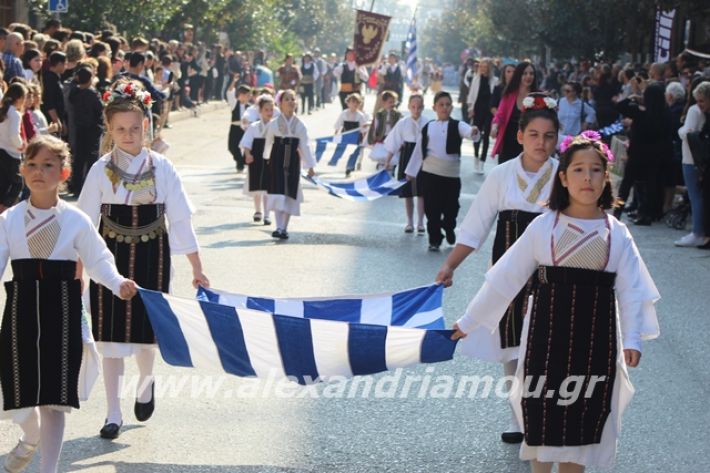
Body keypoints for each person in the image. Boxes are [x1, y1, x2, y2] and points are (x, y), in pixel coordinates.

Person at [451, 131, 660, 472]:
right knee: (542, 419)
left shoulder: (616, 233)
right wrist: (468, 322)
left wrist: (633, 339)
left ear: (606, 177)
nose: (587, 178)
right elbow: (504, 281)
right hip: (546, 342)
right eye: (578, 169)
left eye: (595, 170)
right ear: (562, 177)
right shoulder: (542, 226)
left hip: (596, 344)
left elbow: (631, 290)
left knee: (583, 426)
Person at [77, 80, 209, 440]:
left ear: (146, 126)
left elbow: (180, 219)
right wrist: (78, 269)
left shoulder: (162, 167)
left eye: (135, 128)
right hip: (110, 258)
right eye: (121, 129)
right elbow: (84, 224)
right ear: (110, 129)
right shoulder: (101, 169)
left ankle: (147, 383)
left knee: (145, 332)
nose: (129, 135)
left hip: (154, 254)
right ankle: (113, 412)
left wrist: (197, 267)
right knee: (111, 335)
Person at [0, 135, 137, 473]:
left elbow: (99, 260)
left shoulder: (76, 220)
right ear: (22, 169)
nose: (38, 171)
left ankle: (49, 469)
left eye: (48, 165)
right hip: (20, 314)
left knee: (54, 400)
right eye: (32, 164)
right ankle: (30, 438)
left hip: (62, 313)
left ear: (63, 173)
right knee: (20, 397)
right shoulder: (10, 220)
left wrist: (118, 283)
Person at [436, 93, 560, 443]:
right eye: (533, 134)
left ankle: (545, 413)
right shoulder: (502, 175)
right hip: (509, 275)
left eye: (549, 136)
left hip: (553, 275)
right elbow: (476, 225)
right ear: (519, 136)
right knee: (513, 346)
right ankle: (519, 418)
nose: (541, 142)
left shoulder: (564, 175)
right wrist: (450, 264)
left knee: (546, 346)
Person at [404, 91, 480, 251]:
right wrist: (411, 171)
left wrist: (473, 131)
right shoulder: (428, 127)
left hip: (451, 176)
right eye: (441, 105)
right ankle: (434, 238)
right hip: (429, 174)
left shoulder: (457, 125)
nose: (445, 108)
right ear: (434, 107)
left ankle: (448, 226)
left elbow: (470, 132)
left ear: (452, 107)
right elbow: (419, 150)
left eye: (448, 105)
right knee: (431, 209)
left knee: (451, 207)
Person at [615, 82, 673, 225]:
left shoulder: (640, 113)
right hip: (655, 156)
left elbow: (619, 106)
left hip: (636, 154)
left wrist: (633, 97)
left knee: (626, 185)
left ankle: (617, 211)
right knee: (650, 185)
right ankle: (646, 214)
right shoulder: (665, 115)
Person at [263, 89, 316, 239]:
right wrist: (265, 159)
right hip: (276, 161)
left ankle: (284, 228)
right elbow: (268, 142)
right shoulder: (274, 124)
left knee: (289, 194)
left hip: (292, 162)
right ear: (280, 104)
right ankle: (278, 227)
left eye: (293, 99)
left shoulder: (300, 125)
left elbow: (305, 145)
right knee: (278, 193)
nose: (291, 102)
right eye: (287, 99)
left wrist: (310, 165)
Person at [384, 93, 426, 233]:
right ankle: (409, 222)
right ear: (408, 107)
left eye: (419, 107)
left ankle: (420, 222)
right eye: (413, 107)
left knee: (421, 191)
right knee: (407, 191)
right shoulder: (403, 123)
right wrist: (387, 160)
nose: (416, 110)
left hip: (421, 156)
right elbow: (394, 141)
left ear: (423, 107)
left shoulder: (427, 123)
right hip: (407, 154)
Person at [676, 80, 709, 247]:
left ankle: (698, 231)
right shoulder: (702, 112)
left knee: (695, 196)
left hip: (690, 158)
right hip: (698, 159)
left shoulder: (693, 110)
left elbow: (686, 133)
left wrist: (680, 130)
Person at [491, 61, 539, 164]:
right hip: (508, 142)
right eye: (525, 73)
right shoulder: (509, 94)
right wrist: (495, 127)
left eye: (531, 74)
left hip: (528, 144)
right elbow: (500, 114)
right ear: (519, 75)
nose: (528, 76)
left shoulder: (538, 97)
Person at [68, 64, 103, 196]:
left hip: (79, 128)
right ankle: (90, 186)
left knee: (79, 158)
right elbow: (99, 110)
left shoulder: (74, 92)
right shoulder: (93, 94)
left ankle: (76, 186)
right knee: (92, 158)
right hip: (93, 129)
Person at [240, 94, 274, 226]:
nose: (269, 113)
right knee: (256, 186)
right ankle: (257, 211)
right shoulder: (253, 127)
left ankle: (267, 214)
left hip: (270, 158)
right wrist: (248, 154)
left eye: (271, 110)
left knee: (268, 187)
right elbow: (246, 142)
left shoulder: (275, 126)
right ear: (260, 111)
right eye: (266, 110)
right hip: (256, 158)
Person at [467, 57, 499, 173]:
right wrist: (470, 108)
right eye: (481, 66)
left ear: (489, 68)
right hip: (478, 110)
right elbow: (471, 95)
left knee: (486, 138)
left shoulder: (495, 80)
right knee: (477, 134)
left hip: (489, 111)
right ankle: (476, 157)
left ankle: (482, 162)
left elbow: (496, 98)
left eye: (486, 67)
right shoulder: (475, 79)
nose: (483, 69)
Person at [0, 83, 27, 213]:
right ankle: (5, 208)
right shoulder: (15, 114)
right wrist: (21, 144)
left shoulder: (3, 111)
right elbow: (13, 134)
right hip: (12, 154)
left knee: (3, 184)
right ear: (20, 98)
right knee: (17, 184)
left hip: (1, 151)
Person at [334, 93, 369, 177]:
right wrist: (336, 134)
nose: (355, 104)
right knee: (347, 152)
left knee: (354, 153)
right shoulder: (344, 113)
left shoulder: (360, 115)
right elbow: (338, 124)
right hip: (345, 135)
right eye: (353, 102)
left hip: (356, 137)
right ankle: (348, 165)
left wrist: (363, 139)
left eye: (357, 102)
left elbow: (363, 128)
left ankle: (349, 167)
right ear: (348, 103)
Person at [367, 90, 401, 169]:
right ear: (383, 102)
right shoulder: (379, 114)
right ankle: (380, 169)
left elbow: (400, 127)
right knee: (382, 156)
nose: (392, 104)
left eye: (394, 102)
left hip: (393, 139)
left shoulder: (397, 114)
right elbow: (375, 126)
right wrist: (373, 137)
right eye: (390, 102)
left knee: (392, 158)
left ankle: (390, 172)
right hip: (382, 138)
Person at [227, 81, 252, 172]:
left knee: (247, 146)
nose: (249, 97)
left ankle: (242, 164)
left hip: (245, 128)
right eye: (247, 95)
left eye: (250, 95)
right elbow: (230, 92)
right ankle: (239, 161)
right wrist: (233, 81)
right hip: (235, 128)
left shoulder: (250, 107)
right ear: (241, 94)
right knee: (232, 147)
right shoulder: (235, 103)